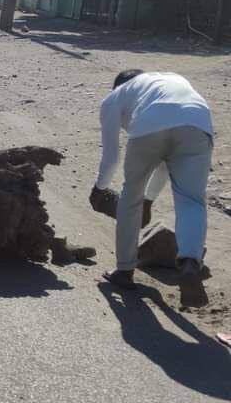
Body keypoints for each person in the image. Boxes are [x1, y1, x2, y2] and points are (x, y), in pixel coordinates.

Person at [90, 70, 213, 306]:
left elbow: (111, 156)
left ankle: (124, 271)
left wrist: (100, 188)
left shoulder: (115, 97)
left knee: (130, 196)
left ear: (118, 86)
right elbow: (166, 163)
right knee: (191, 200)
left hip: (149, 125)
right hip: (197, 121)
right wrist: (149, 200)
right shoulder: (171, 80)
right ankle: (189, 262)